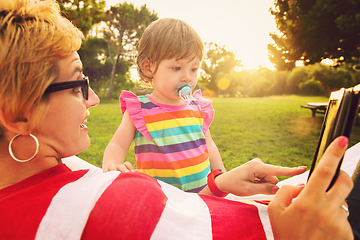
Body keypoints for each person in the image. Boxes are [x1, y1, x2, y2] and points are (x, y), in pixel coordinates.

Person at [0, 0, 355, 239]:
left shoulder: (53, 166)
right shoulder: (138, 113)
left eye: (193, 67)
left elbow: (206, 148)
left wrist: (221, 180)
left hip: (208, 192)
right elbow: (120, 152)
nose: (93, 97)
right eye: (79, 83)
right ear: (18, 112)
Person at [103, 18, 226, 193]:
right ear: (148, 67)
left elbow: (210, 146)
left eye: (193, 69)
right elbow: (118, 145)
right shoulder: (139, 110)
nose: (187, 78)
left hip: (204, 197)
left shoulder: (197, 107)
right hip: (163, 201)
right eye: (177, 68)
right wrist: (112, 165)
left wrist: (221, 176)